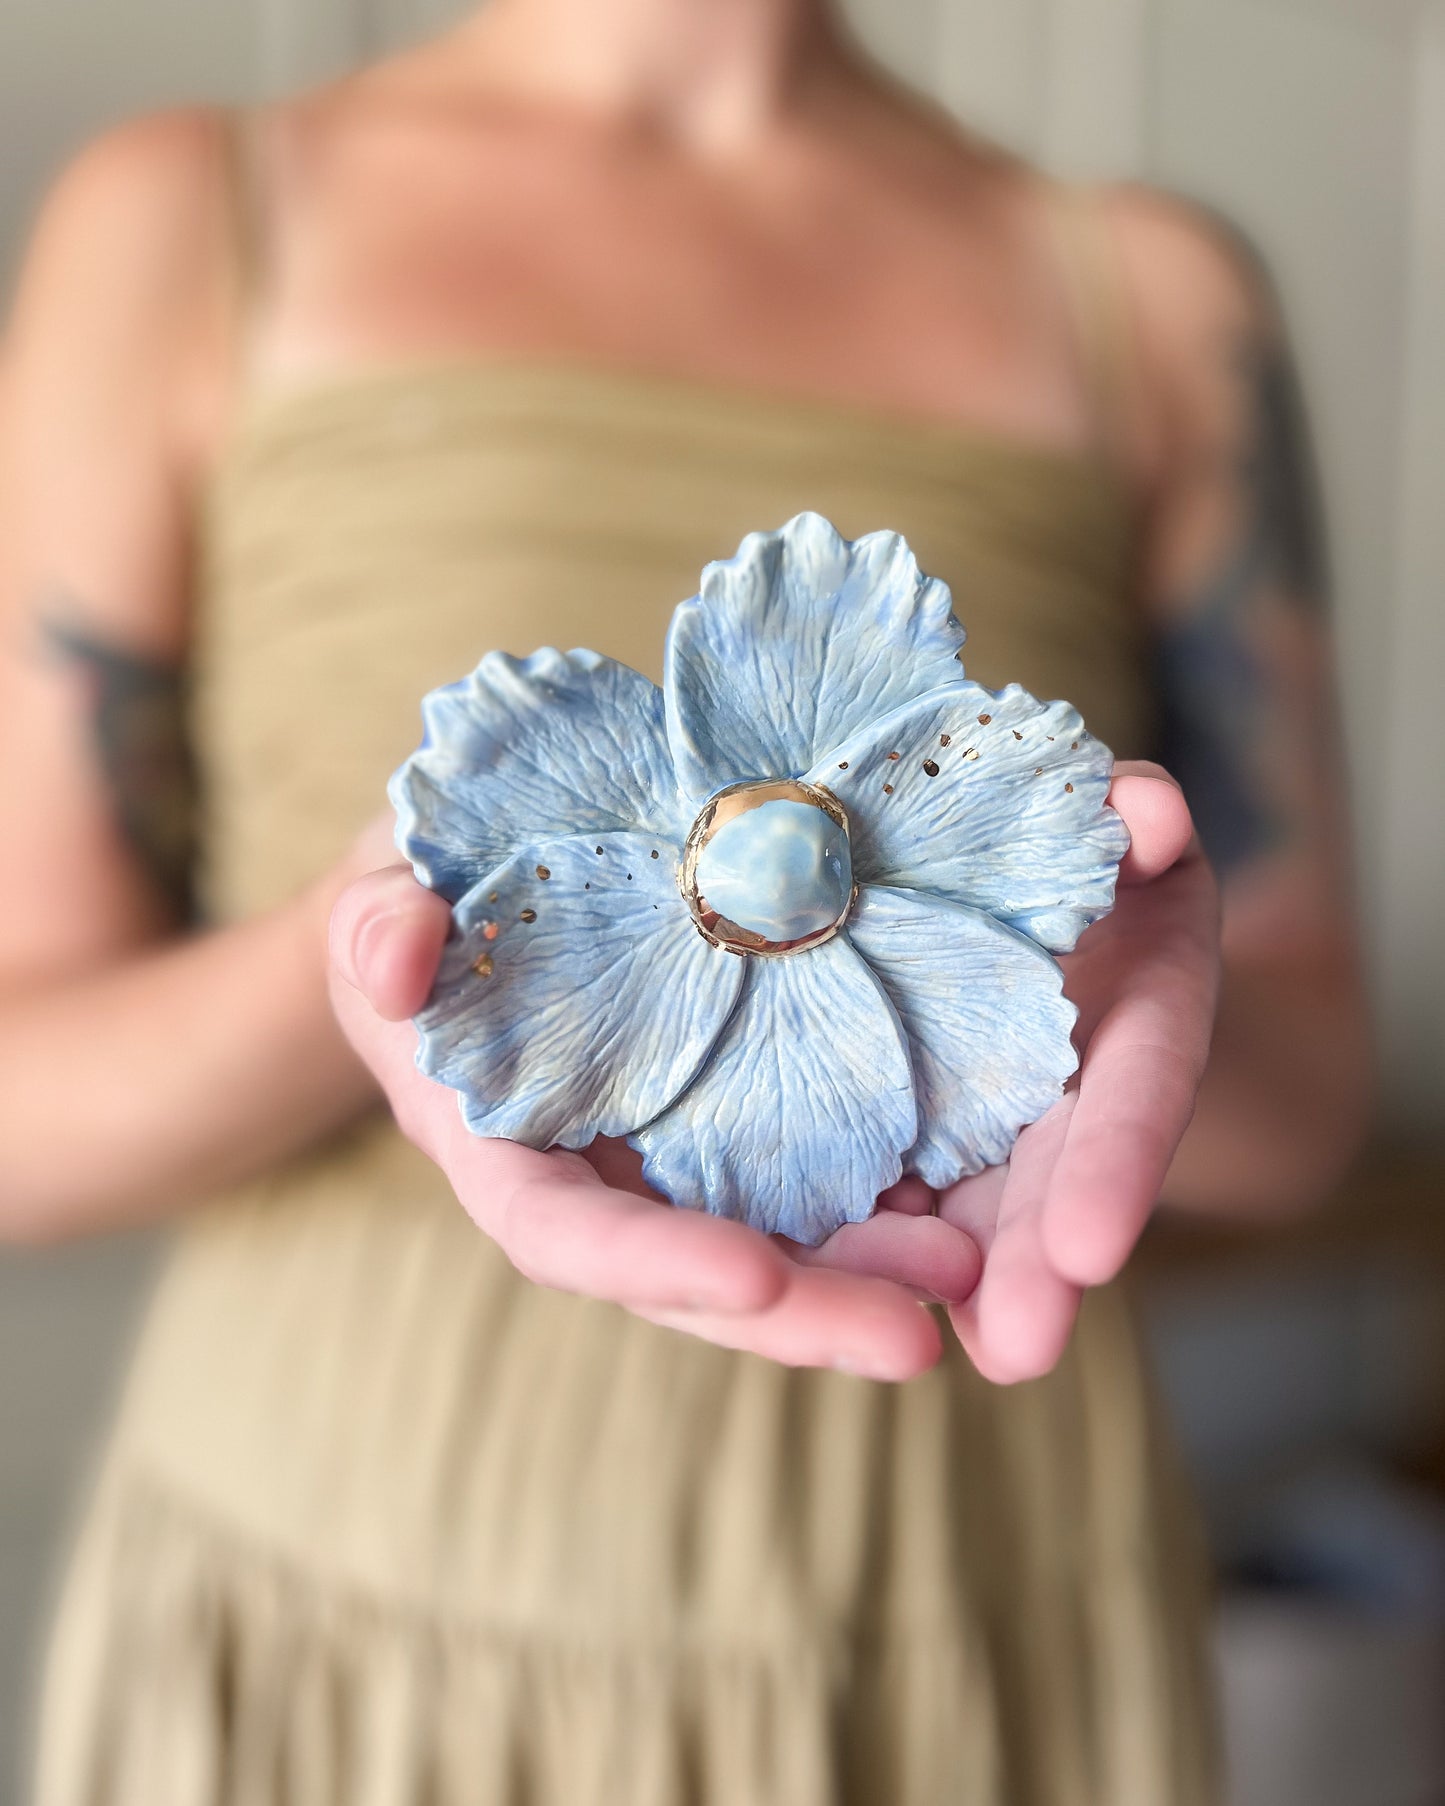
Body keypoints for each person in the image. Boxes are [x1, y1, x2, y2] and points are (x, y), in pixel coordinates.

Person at [0, 0, 1371, 1799]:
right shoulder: (189, 219)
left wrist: (1089, 980)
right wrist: (405, 958)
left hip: (953, 1600)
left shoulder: (1151, 298)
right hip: (349, 1584)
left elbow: (1301, 1091)